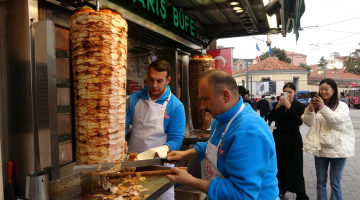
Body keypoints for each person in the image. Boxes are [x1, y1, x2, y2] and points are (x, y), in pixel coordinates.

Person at [165, 69, 279, 200]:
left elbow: (241, 194)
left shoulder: (248, 132)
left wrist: (190, 180)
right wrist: (185, 153)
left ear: (225, 95)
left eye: (205, 99)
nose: (201, 106)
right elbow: (216, 146)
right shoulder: (221, 119)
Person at [125, 59, 186, 200]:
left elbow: (176, 140)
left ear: (168, 80)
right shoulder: (134, 99)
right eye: (151, 80)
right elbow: (123, 124)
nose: (154, 85)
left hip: (160, 168)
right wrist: (121, 140)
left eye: (159, 81)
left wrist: (159, 151)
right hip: (133, 165)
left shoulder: (176, 106)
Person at [302, 78, 355, 200]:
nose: (323, 91)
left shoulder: (342, 106)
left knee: (335, 182)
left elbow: (338, 122)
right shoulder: (317, 106)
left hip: (338, 148)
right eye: (321, 89)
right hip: (320, 147)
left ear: (334, 90)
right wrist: (309, 110)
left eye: (326, 89)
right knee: (320, 181)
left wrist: (322, 107)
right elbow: (308, 123)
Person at [268, 83, 309, 200]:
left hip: (293, 137)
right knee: (279, 164)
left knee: (296, 165)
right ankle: (280, 188)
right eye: (285, 92)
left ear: (295, 92)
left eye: (290, 92)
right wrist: (276, 108)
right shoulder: (277, 104)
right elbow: (270, 118)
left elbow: (298, 121)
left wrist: (289, 108)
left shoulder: (300, 106)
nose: (288, 95)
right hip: (279, 137)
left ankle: (300, 193)